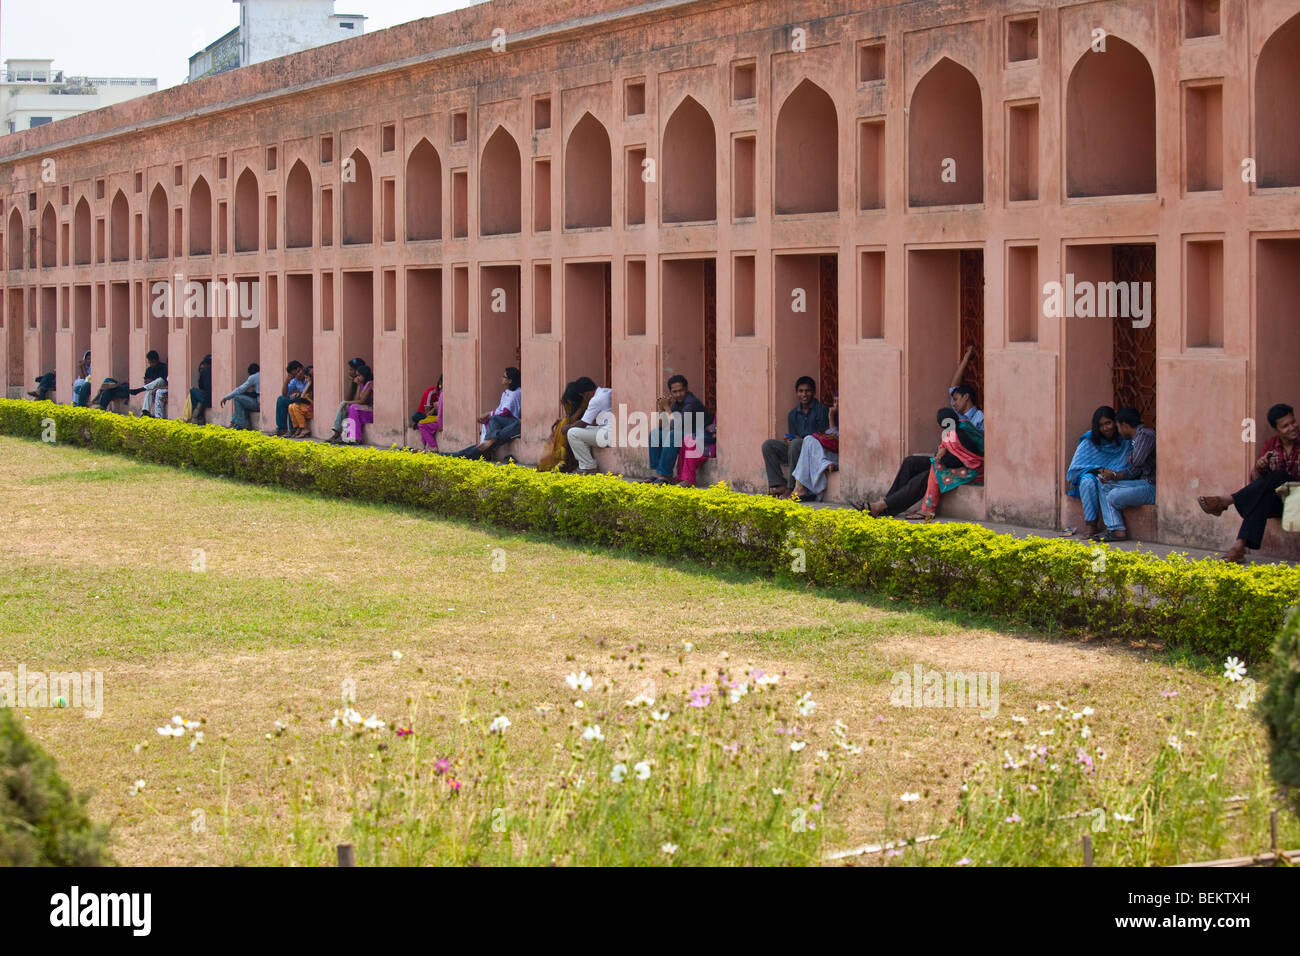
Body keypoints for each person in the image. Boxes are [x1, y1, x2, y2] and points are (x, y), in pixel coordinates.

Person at [1198, 403, 1300, 563]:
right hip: (1281, 502)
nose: (1292, 427)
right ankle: (1239, 546)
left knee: (1279, 475)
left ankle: (1228, 502)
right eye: (1286, 426)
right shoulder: (1271, 446)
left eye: (1293, 422)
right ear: (1277, 429)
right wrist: (1258, 469)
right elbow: (1258, 484)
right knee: (1260, 497)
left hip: (1298, 498)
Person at [867, 408, 983, 518]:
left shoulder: (960, 434)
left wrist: (940, 460)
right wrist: (940, 454)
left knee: (927, 475)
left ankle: (882, 506)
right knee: (911, 462)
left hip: (970, 469)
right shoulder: (952, 431)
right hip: (948, 462)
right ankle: (887, 505)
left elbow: (964, 460)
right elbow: (945, 448)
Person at [1091, 406, 1155, 542]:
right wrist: (1113, 475)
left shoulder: (1144, 435)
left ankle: (1115, 528)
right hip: (1142, 483)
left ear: (1124, 425)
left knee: (1113, 495)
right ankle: (1116, 529)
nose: (1117, 431)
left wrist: (1128, 457)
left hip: (1152, 487)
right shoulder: (1136, 439)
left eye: (1118, 426)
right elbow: (1133, 471)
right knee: (1104, 485)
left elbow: (1136, 461)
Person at [1066, 405, 1132, 538]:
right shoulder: (1090, 440)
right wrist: (1100, 470)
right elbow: (1076, 468)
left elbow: (1130, 464)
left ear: (1115, 422)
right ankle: (1091, 527)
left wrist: (1112, 474)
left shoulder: (1124, 439)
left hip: (1118, 476)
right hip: (1093, 474)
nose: (1106, 428)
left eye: (1108, 423)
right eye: (1101, 425)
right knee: (1087, 482)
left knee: (1105, 481)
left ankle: (1114, 528)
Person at [761, 376, 829, 496]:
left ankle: (792, 487)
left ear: (813, 392)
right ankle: (779, 484)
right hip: (796, 451)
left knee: (796, 443)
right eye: (801, 391)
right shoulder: (793, 414)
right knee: (768, 445)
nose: (804, 394)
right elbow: (794, 436)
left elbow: (823, 437)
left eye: (807, 391)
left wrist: (798, 441)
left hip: (813, 452)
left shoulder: (822, 410)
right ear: (796, 393)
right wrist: (789, 440)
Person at [449, 366, 522, 460]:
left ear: (510, 380)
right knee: (494, 437)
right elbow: (500, 410)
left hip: (512, 422)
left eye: (504, 377)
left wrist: (489, 414)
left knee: (493, 420)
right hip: (505, 423)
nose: (501, 378)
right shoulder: (507, 392)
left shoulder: (516, 393)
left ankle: (459, 454)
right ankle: (460, 454)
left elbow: (505, 412)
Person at [648, 375, 711, 485]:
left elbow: (677, 425)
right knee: (655, 434)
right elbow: (660, 426)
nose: (678, 394)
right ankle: (658, 474)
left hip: (698, 437)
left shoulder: (692, 403)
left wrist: (667, 408)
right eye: (675, 392)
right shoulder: (676, 404)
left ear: (686, 389)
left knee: (674, 435)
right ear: (671, 393)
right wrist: (661, 409)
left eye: (681, 390)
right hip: (684, 434)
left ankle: (666, 475)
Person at [789, 395, 838, 501]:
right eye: (834, 402)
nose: (836, 405)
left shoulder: (826, 411)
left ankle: (799, 487)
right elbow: (830, 436)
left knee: (808, 440)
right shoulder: (793, 414)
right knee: (809, 440)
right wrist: (831, 416)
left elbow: (837, 441)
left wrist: (830, 416)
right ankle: (822, 463)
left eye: (838, 402)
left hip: (836, 455)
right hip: (822, 452)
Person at [565, 377, 613, 475]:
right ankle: (584, 465)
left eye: (583, 396)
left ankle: (588, 466)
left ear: (586, 393)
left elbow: (583, 423)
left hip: (608, 435)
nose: (584, 399)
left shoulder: (596, 399)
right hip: (610, 431)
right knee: (584, 431)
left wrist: (568, 427)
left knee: (572, 433)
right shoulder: (607, 391)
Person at [538, 380, 588, 472]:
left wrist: (566, 420)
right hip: (570, 425)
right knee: (561, 425)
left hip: (581, 425)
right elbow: (568, 416)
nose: (569, 403)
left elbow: (575, 420)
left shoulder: (583, 403)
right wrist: (562, 420)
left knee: (564, 425)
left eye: (571, 401)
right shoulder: (565, 400)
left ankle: (564, 461)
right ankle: (557, 461)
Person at [325, 357, 369, 442]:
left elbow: (360, 401)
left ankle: (338, 432)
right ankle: (339, 434)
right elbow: (349, 398)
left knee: (345, 405)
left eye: (351, 370)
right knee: (345, 405)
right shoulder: (357, 381)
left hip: (364, 407)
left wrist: (358, 385)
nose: (349, 372)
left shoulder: (368, 383)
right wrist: (352, 383)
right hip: (357, 405)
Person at [949, 346, 984, 431]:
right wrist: (966, 359)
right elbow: (953, 387)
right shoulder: (959, 415)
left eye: (956, 399)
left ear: (966, 397)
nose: (953, 404)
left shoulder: (980, 418)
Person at [220, 362, 261, 430]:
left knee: (237, 398)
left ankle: (240, 425)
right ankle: (242, 424)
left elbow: (239, 389)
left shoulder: (253, 377)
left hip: (258, 404)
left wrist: (226, 398)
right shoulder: (260, 375)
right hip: (258, 402)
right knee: (242, 404)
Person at [274, 361, 307, 437]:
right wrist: (287, 380)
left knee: (291, 403)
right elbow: (284, 393)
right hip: (299, 400)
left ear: (302, 368)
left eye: (299, 371)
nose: (298, 375)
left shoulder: (308, 376)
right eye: (295, 374)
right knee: (281, 399)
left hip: (307, 401)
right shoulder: (296, 380)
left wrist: (301, 394)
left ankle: (293, 429)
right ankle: (282, 429)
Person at [131, 350, 168, 418]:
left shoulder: (163, 367)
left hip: (162, 387)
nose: (150, 364)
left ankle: (139, 390)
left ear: (155, 360)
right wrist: (149, 381)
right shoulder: (149, 370)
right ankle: (145, 411)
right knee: (149, 390)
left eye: (151, 362)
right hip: (151, 388)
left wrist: (153, 381)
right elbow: (146, 381)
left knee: (159, 380)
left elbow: (166, 382)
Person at [344, 366, 375, 443]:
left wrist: (345, 402)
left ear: (365, 375)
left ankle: (355, 437)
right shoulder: (362, 384)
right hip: (365, 409)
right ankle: (351, 436)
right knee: (351, 407)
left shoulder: (370, 384)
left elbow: (362, 401)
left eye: (359, 375)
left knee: (352, 407)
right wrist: (358, 385)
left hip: (372, 410)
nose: (357, 377)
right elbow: (356, 400)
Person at [413, 376, 444, 451]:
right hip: (436, 417)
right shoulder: (441, 393)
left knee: (421, 424)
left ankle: (433, 446)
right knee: (419, 419)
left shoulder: (443, 394)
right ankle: (422, 446)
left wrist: (440, 425)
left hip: (441, 420)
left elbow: (440, 412)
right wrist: (434, 408)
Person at [288, 366, 314, 438]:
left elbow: (310, 400)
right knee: (291, 406)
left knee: (296, 406)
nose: (305, 380)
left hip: (311, 409)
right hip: (307, 408)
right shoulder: (308, 386)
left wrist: (310, 382)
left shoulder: (313, 387)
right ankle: (298, 427)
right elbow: (303, 396)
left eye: (307, 378)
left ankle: (304, 428)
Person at [189, 354, 213, 424]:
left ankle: (197, 417)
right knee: (200, 398)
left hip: (207, 399)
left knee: (193, 391)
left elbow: (201, 387)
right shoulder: (216, 370)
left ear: (205, 363)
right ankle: (197, 417)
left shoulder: (204, 371)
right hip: (214, 398)